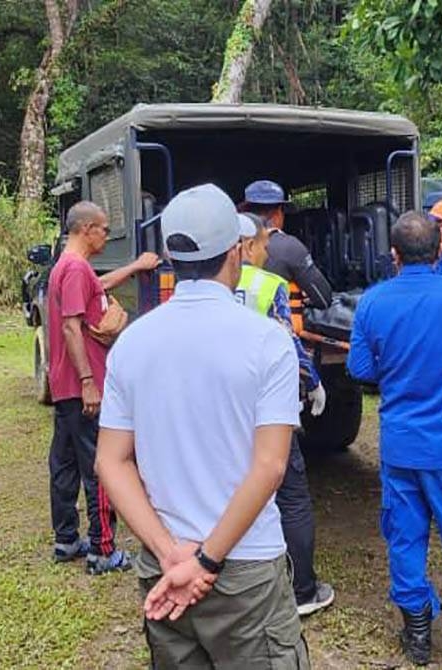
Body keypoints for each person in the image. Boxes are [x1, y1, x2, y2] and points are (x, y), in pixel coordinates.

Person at [95, 184, 310, 669]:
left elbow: (110, 459)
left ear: (170, 254)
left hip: (165, 567)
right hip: (246, 569)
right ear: (235, 251)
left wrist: (171, 554)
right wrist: (206, 560)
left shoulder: (133, 342)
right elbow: (271, 465)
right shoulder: (266, 340)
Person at [347, 211, 442, 669]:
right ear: (439, 250)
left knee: (405, 537)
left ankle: (417, 631)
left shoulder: (373, 303)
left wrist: (394, 368)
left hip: (401, 447)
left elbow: (360, 370)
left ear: (393, 254)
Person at [46, 201, 161, 575]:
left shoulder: (67, 267)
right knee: (99, 465)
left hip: (63, 386)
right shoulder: (76, 268)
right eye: (104, 229)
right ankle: (102, 549)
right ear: (86, 229)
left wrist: (136, 266)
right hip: (83, 388)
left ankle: (66, 539)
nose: (107, 236)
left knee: (63, 463)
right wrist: (89, 382)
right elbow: (70, 327)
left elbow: (99, 287)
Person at [234, 212, 335, 616]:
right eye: (261, 245)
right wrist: (312, 382)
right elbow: (287, 342)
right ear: (244, 246)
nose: (265, 253)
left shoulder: (200, 286)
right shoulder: (268, 285)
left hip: (224, 406)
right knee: (290, 495)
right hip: (267, 405)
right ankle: (302, 590)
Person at [242, 179, 333, 309]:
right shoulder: (290, 247)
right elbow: (324, 298)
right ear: (278, 212)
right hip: (278, 326)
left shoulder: (230, 246)